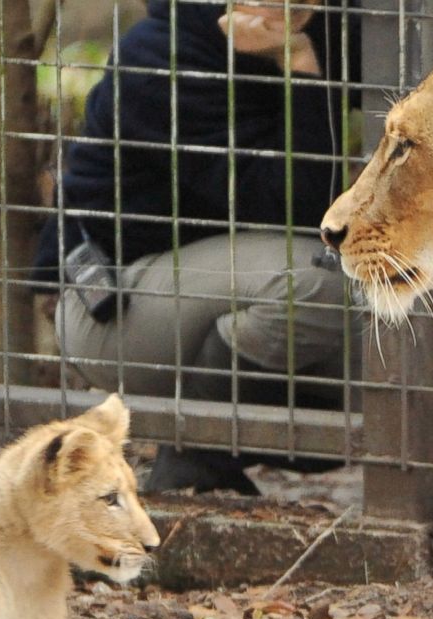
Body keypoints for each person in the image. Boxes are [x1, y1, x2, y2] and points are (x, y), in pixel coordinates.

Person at [33, 0, 359, 494]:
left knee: (385, 346)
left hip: (222, 277)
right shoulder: (158, 55)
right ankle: (199, 448)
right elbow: (294, 204)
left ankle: (230, 441)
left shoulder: (335, 29)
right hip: (118, 306)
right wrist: (300, 64)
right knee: (324, 282)